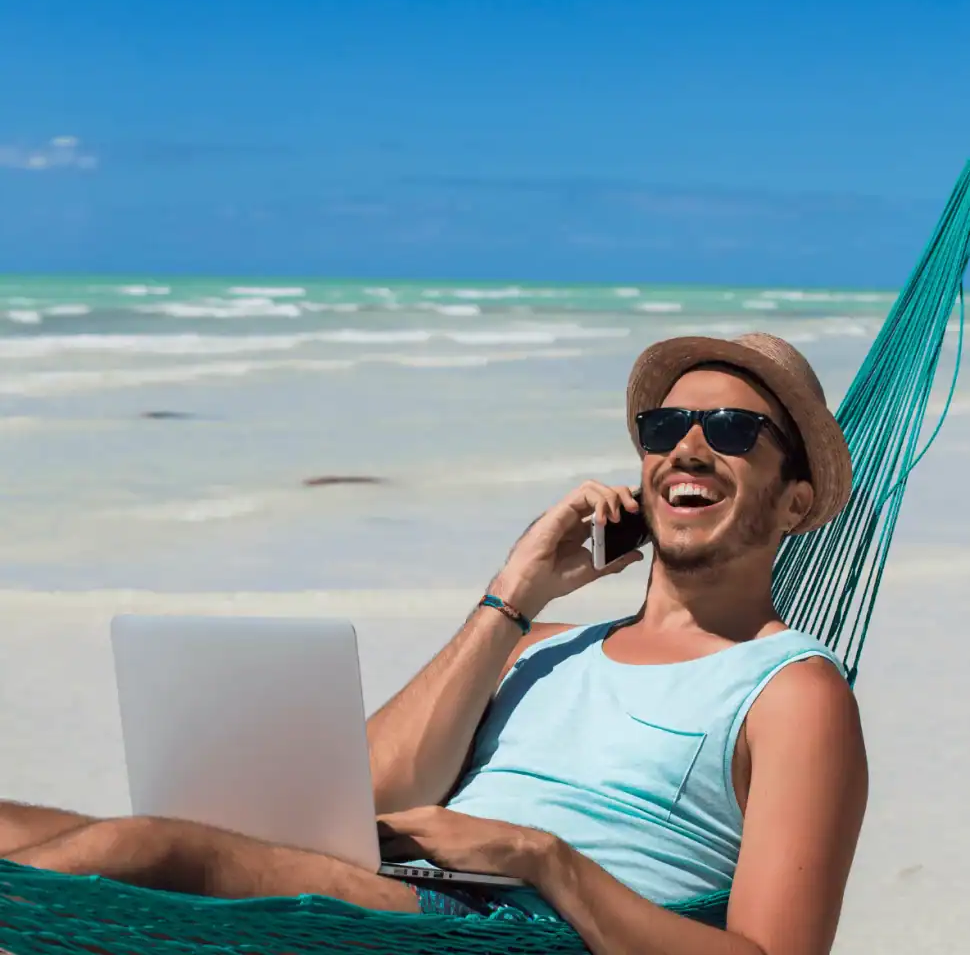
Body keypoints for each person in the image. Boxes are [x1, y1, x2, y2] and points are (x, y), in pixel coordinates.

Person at [0, 332, 868, 955]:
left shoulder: (789, 691)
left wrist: (540, 858)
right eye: (663, 429)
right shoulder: (541, 646)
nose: (687, 447)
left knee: (140, 852)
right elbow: (366, 797)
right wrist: (515, 595)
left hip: (513, 932)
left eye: (729, 431)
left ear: (794, 503)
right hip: (400, 887)